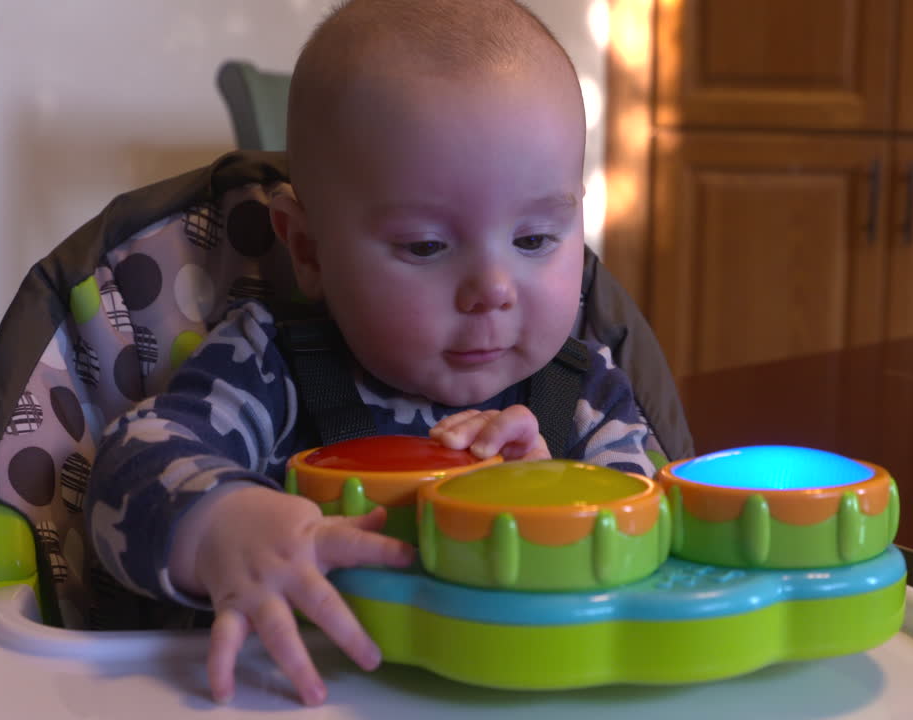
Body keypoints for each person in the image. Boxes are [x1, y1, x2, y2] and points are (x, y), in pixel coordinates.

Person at [87, 0, 658, 707]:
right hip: (290, 692)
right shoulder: (270, 368)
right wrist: (222, 525)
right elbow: (128, 464)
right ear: (306, 248)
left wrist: (557, 498)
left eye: (536, 239)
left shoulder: (587, 399)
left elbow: (659, 551)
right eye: (426, 245)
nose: (494, 289)